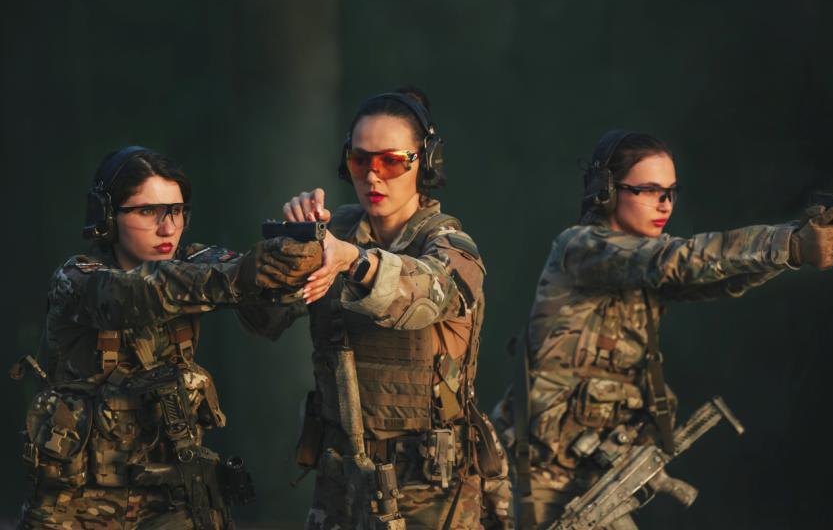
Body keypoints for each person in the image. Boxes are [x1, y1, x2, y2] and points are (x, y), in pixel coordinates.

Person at [491, 131, 833, 530]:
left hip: (596, 480)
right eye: (649, 190)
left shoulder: (645, 267)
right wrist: (787, 243)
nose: (664, 204)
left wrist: (792, 248)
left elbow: (718, 278)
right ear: (606, 192)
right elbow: (679, 260)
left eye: (670, 192)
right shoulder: (582, 248)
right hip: (536, 482)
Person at [241, 87, 509, 529]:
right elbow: (261, 319)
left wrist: (353, 261)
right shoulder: (334, 234)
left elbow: (429, 294)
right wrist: (290, 250)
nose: (373, 175)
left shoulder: (450, 244)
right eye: (360, 160)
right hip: (341, 483)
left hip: (432, 489)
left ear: (424, 163)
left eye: (391, 161)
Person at [17, 146, 322, 529]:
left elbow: (264, 308)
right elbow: (135, 293)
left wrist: (298, 256)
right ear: (107, 218)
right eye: (148, 212)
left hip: (170, 497)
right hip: (77, 503)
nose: (167, 228)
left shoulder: (192, 262)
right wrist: (244, 274)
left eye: (176, 211)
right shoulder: (77, 278)